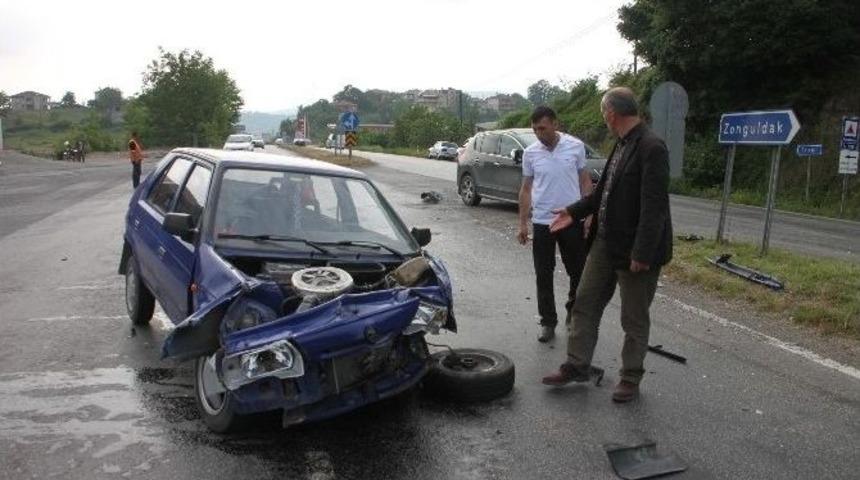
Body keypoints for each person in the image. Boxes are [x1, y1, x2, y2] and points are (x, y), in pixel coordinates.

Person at [541, 87, 673, 403]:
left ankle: (630, 378)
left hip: (636, 250)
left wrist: (641, 253)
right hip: (605, 242)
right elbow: (604, 194)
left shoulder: (652, 147)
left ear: (611, 113)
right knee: (585, 302)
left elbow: (654, 207)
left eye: (604, 113)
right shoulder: (622, 143)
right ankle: (577, 365)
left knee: (633, 317)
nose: (604, 118)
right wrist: (573, 212)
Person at [517, 106, 593, 343]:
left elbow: (585, 180)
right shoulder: (530, 153)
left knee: (577, 271)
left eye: (543, 127)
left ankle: (573, 312)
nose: (539, 133)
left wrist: (588, 215)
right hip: (542, 222)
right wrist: (522, 223)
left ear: (555, 124)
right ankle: (547, 322)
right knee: (543, 273)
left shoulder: (575, 146)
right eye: (535, 129)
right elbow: (526, 188)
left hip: (570, 219)